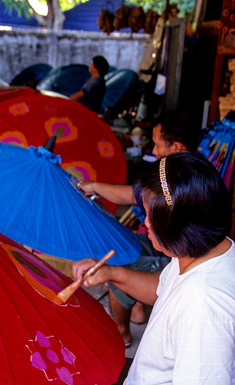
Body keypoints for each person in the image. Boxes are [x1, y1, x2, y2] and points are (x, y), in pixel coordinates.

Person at [32, 152, 235, 385]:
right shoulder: (209, 251)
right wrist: (113, 275)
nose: (143, 223)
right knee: (85, 363)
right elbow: (165, 288)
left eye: (148, 216)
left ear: (176, 226)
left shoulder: (206, 303)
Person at [78, 110, 199, 347]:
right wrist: (94, 186)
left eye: (156, 145)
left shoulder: (184, 182)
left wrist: (113, 272)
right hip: (175, 253)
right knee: (121, 248)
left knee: (121, 259)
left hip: (180, 257)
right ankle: (136, 309)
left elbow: (136, 197)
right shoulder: (178, 171)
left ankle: (121, 332)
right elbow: (135, 194)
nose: (153, 151)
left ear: (176, 146)